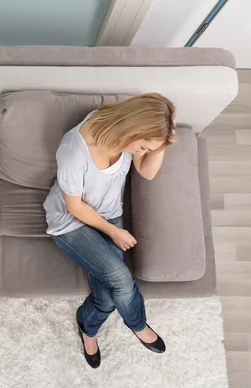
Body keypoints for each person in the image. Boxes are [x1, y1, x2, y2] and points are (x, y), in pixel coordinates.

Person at [43, 93, 176, 368]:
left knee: (105, 297)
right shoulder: (74, 150)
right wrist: (114, 232)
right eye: (142, 146)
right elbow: (75, 207)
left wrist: (161, 144)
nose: (141, 154)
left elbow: (147, 173)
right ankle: (138, 325)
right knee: (121, 282)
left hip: (109, 211)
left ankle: (87, 327)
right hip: (71, 221)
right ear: (131, 128)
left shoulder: (124, 137)